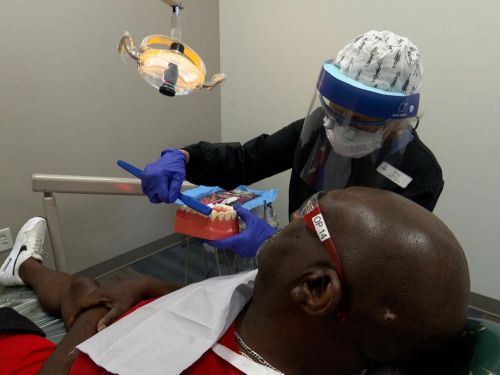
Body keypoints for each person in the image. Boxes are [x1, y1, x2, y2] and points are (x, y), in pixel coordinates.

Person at [0, 187, 468, 374]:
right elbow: (220, 306)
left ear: (317, 289)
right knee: (84, 286)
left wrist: (85, 330)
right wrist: (149, 288)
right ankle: (22, 264)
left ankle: (21, 266)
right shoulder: (304, 332)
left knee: (82, 293)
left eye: (306, 217)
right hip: (125, 321)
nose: (287, 222)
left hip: (41, 354)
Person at [139, 30, 444, 256]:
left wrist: (276, 247)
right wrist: (186, 156)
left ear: (398, 119)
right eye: (334, 110)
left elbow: (380, 259)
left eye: (359, 119)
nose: (339, 127)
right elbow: (247, 159)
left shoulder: (420, 173)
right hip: (295, 263)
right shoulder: (315, 131)